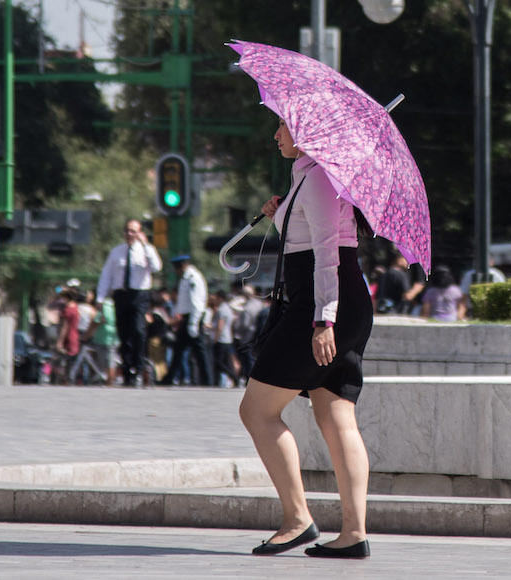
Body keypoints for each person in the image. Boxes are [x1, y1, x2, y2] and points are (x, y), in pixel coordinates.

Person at [240, 117, 374, 559]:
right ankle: (353, 534)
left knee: (257, 411)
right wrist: (280, 213)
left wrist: (323, 320)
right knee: (336, 416)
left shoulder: (317, 177)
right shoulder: (311, 175)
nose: (275, 133)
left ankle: (297, 520)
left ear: (307, 133)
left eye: (282, 125)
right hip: (339, 301)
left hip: (321, 305)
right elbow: (304, 240)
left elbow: (326, 252)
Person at [96, 219, 163, 386]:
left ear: (140, 233)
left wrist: (146, 246)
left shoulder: (147, 250)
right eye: (127, 230)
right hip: (121, 295)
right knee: (124, 334)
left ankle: (139, 367)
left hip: (140, 295)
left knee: (138, 330)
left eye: (134, 231)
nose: (130, 234)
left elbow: (156, 267)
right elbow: (106, 276)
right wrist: (100, 298)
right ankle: (128, 370)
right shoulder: (116, 252)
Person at [159, 255, 212, 386]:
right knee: (179, 350)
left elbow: (197, 303)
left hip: (193, 318)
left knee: (199, 352)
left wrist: (193, 323)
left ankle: (208, 380)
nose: (175, 271)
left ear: (182, 266)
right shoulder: (185, 278)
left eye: (176, 268)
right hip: (186, 318)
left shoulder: (193, 278)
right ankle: (169, 378)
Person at [210, 289, 239, 388]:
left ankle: (233, 377)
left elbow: (220, 326)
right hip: (228, 339)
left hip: (221, 339)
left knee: (219, 362)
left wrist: (215, 338)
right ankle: (234, 378)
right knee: (226, 362)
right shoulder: (228, 308)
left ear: (220, 298)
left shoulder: (222, 309)